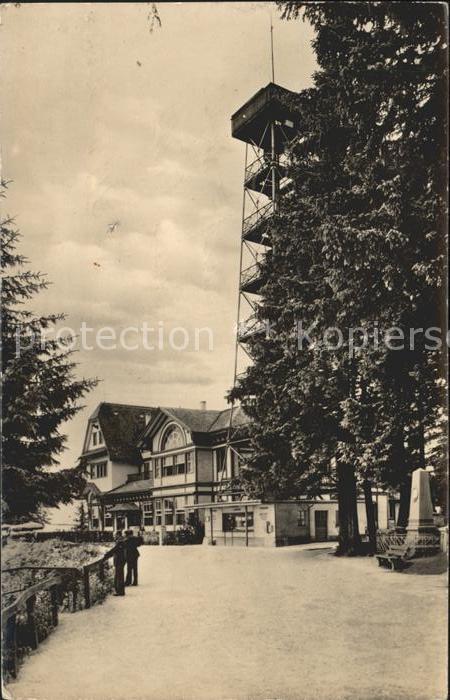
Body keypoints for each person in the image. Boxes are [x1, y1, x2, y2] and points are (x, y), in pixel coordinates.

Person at [113, 530, 126, 596]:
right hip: (121, 560)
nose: (114, 536)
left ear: (118, 535)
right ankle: (121, 591)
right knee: (120, 576)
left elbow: (114, 550)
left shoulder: (119, 541)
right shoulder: (121, 540)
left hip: (119, 561)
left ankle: (119, 591)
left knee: (118, 576)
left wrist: (106, 555)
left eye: (115, 535)